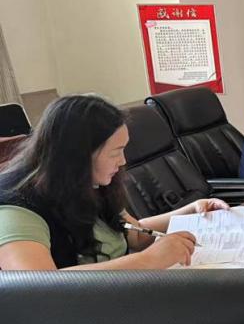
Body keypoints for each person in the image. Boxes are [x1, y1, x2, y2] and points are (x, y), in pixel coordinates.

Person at [0, 95, 227, 270]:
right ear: (78, 155)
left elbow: (134, 234)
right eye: (115, 152)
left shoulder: (91, 182)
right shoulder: (16, 208)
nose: (123, 161)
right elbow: (39, 288)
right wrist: (148, 260)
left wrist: (191, 211)